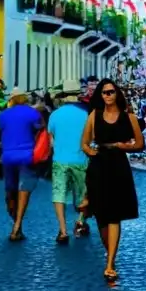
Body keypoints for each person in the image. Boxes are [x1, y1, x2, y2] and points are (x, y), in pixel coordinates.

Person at [81, 78, 143, 282]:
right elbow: (85, 143)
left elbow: (140, 144)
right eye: (104, 92)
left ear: (117, 94)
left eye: (111, 92)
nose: (107, 95)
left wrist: (125, 147)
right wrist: (92, 153)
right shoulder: (94, 115)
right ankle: (110, 252)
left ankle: (110, 264)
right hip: (99, 165)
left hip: (118, 165)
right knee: (101, 216)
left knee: (114, 215)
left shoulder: (129, 117)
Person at [0, 86, 42, 241]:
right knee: (23, 189)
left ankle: (16, 223)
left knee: (10, 191)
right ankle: (17, 225)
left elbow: (1, 132)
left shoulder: (3, 115)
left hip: (8, 156)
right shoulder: (32, 113)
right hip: (26, 156)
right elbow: (40, 129)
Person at [48, 79, 90, 243]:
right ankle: (80, 221)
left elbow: (51, 140)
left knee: (59, 194)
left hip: (60, 159)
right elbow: (90, 138)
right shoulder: (85, 114)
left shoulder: (55, 115)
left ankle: (63, 230)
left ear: (63, 95)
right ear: (78, 96)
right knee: (82, 194)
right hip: (80, 159)